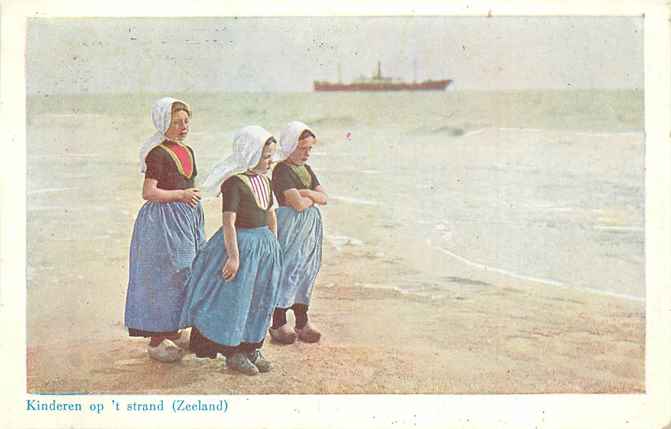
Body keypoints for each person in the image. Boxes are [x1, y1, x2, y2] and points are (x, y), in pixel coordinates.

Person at [179, 125, 281, 376]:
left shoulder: (266, 182)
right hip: (242, 246)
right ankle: (233, 352)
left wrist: (275, 244)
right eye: (266, 156)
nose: (271, 162)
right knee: (237, 300)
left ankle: (252, 346)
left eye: (271, 156)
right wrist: (233, 257)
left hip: (264, 248)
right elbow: (229, 222)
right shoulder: (235, 183)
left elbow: (271, 215)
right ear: (250, 154)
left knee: (260, 298)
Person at [124, 97, 205, 363]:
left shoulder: (188, 150)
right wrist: (181, 194)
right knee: (164, 276)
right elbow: (148, 192)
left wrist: (189, 203)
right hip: (162, 222)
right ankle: (156, 339)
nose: (183, 127)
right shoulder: (157, 153)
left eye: (186, 121)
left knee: (187, 271)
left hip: (186, 218)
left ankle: (173, 327)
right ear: (163, 123)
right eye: (176, 122)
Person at [269, 121, 327, 344]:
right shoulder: (282, 169)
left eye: (309, 148)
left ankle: (302, 321)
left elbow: (324, 198)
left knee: (307, 269)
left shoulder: (307, 170)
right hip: (291, 226)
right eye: (302, 148)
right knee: (288, 269)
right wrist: (309, 195)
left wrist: (306, 193)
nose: (306, 153)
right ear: (290, 145)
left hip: (310, 227)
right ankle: (278, 322)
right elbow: (297, 204)